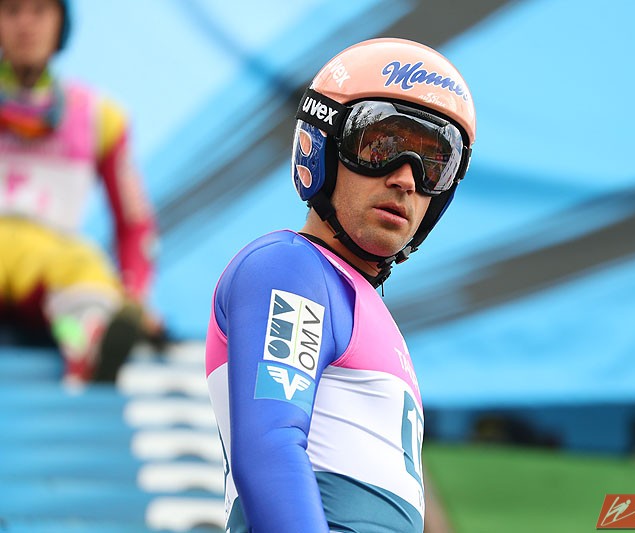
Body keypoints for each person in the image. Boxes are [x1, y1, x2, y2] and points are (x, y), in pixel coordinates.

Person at [205, 37, 476, 532]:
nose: (406, 179)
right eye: (381, 145)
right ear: (323, 147)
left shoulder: (361, 303)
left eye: (433, 162)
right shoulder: (290, 268)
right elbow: (270, 448)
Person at [0, 0, 158, 384]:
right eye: (12, 10)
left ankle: (89, 346)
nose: (26, 24)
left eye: (40, 11)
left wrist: (134, 299)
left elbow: (135, 224)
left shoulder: (100, 116)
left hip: (51, 267)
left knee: (86, 272)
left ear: (61, 23)